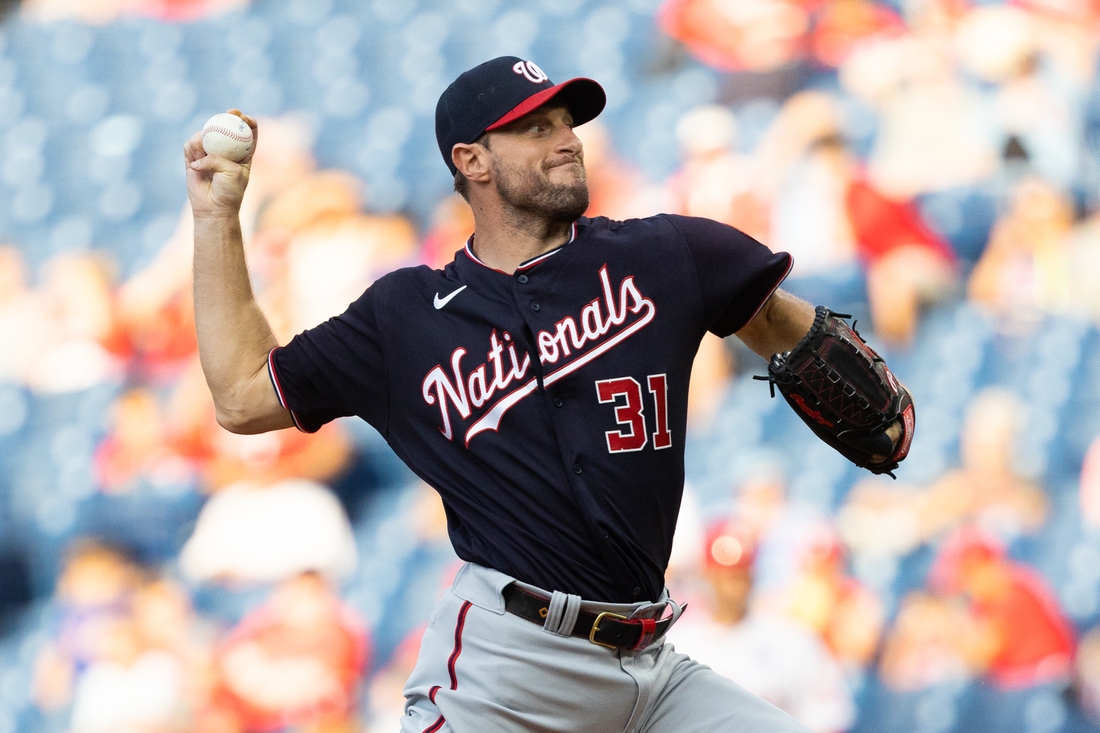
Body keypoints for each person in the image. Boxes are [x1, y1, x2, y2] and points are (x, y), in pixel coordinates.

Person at [184, 56, 907, 732]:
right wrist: (218, 220)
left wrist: (845, 374)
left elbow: (787, 326)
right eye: (536, 128)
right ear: (471, 161)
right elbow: (245, 395)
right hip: (510, 670)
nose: (566, 140)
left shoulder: (663, 257)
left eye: (567, 123)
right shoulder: (404, 316)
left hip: (653, 665)